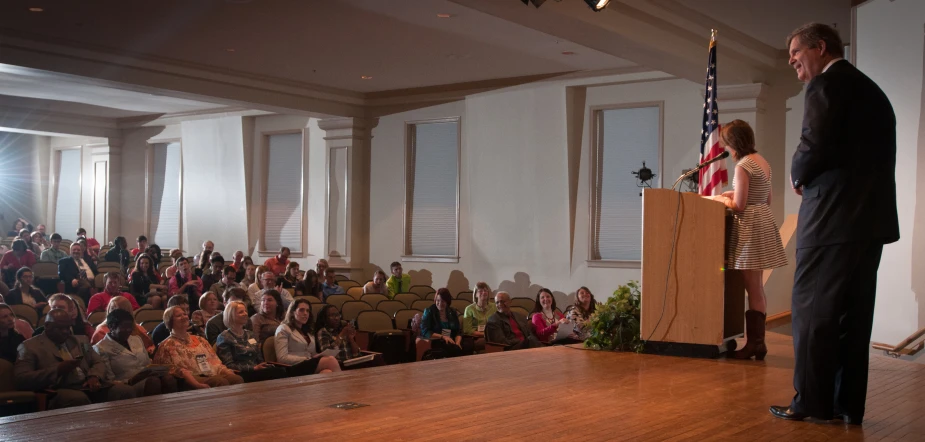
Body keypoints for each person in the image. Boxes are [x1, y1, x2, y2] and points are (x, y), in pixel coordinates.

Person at [770, 23, 900, 425]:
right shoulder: (874, 92)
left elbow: (814, 143)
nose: (791, 59)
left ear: (820, 47)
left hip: (829, 221)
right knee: (854, 318)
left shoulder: (825, 87)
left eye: (795, 52)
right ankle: (847, 404)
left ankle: (810, 403)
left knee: (811, 314)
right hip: (870, 224)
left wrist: (797, 174)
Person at [708, 120, 788, 360]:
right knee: (757, 286)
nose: (726, 148)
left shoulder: (743, 165)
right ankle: (757, 343)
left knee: (752, 287)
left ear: (734, 143)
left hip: (750, 228)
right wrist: (734, 193)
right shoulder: (762, 161)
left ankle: (755, 344)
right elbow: (766, 198)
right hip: (763, 222)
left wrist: (723, 201)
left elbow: (740, 206)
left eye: (727, 143)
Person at [14, 309, 136, 409]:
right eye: (60, 328)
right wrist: (58, 370)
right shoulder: (29, 347)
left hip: (88, 386)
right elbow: (22, 379)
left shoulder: (80, 340)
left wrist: (94, 376)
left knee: (124, 391)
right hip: (59, 389)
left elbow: (98, 361)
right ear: (47, 326)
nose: (66, 332)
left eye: (68, 328)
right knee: (78, 398)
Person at [152, 306, 243, 389]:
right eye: (179, 315)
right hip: (191, 378)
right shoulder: (166, 345)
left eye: (184, 314)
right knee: (219, 382)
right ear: (170, 321)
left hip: (211, 372)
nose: (184, 317)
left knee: (236, 379)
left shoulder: (200, 340)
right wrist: (196, 384)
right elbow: (173, 371)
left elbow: (216, 362)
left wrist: (226, 371)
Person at [93, 309, 177, 397]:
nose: (129, 330)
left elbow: (147, 364)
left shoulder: (136, 339)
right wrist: (130, 380)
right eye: (124, 327)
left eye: (130, 327)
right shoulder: (101, 348)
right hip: (127, 384)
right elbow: (108, 379)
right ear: (111, 327)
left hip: (148, 377)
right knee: (153, 382)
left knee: (168, 378)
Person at [215, 301, 287, 383]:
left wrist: (263, 365)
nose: (245, 314)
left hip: (257, 371)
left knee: (280, 370)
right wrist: (253, 368)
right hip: (241, 373)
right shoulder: (224, 337)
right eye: (241, 312)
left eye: (245, 311)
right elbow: (228, 365)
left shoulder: (250, 334)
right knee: (278, 373)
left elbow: (259, 357)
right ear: (231, 315)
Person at [273, 299, 341, 375]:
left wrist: (318, 355)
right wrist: (307, 359)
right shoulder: (283, 329)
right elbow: (282, 358)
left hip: (307, 365)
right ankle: (344, 386)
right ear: (292, 312)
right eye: (301, 310)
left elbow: (311, 353)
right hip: (292, 367)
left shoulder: (309, 331)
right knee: (331, 360)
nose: (305, 313)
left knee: (327, 372)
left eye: (307, 311)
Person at [89, 296, 154, 351]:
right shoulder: (101, 331)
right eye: (112, 308)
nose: (113, 312)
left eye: (118, 309)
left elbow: (150, 347)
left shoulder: (139, 329)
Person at [420, 288, 465, 357]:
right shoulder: (429, 311)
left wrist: (457, 342)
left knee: (466, 346)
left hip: (451, 340)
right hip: (437, 340)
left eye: (443, 301)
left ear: (447, 302)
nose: (440, 303)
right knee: (452, 349)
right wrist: (443, 337)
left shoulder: (452, 312)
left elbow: (457, 332)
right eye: (438, 300)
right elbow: (425, 331)